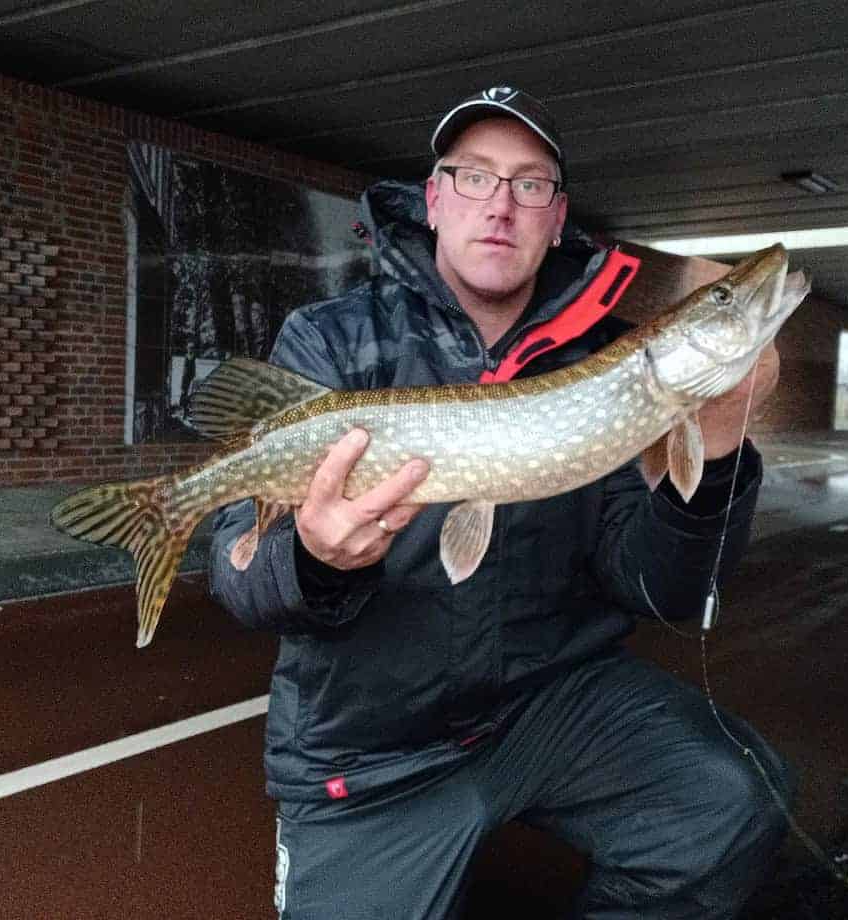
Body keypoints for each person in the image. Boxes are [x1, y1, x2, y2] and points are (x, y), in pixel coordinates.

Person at [210, 86, 793, 920]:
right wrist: (311, 558)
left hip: (553, 707)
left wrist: (724, 436)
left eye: (529, 185)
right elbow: (239, 572)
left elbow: (660, 588)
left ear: (557, 218)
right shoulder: (332, 339)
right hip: (372, 743)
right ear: (435, 199)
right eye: (475, 177)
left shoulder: (609, 360)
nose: (501, 206)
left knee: (733, 798)